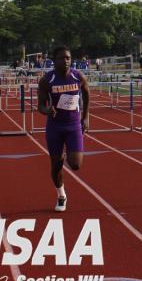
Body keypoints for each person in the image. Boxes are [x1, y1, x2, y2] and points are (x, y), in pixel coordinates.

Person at [37, 46, 90, 212]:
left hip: (74, 125)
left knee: (76, 164)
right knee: (56, 165)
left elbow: (86, 94)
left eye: (68, 58)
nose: (66, 61)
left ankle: (67, 153)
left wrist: (86, 117)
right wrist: (47, 110)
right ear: (54, 61)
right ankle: (61, 195)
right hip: (55, 127)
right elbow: (40, 105)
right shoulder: (47, 80)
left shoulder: (78, 76)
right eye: (62, 58)